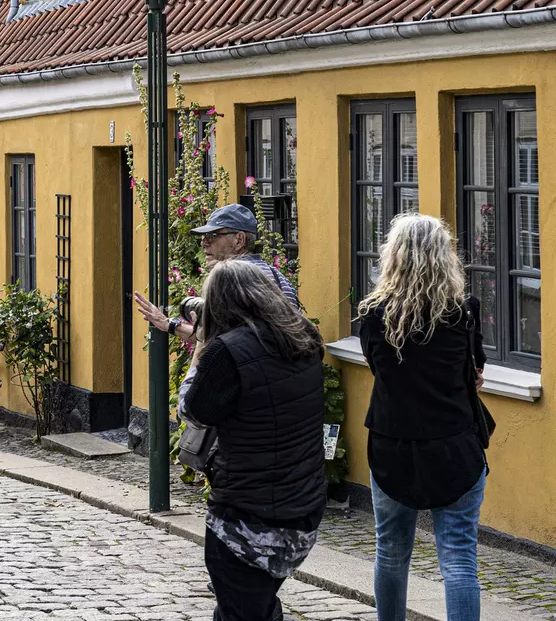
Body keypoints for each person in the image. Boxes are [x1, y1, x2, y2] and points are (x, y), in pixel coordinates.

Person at [178, 259, 327, 621]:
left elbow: (192, 410)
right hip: (302, 507)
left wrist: (200, 348)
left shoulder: (225, 351)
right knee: (256, 604)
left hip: (246, 516)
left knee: (241, 610)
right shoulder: (304, 338)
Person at [357, 214, 486, 621]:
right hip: (454, 444)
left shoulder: (373, 315)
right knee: (460, 558)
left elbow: (380, 370)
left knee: (391, 552)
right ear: (444, 256)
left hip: (393, 444)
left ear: (392, 257)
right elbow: (476, 373)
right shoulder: (464, 312)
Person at [134, 203, 299, 341]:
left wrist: (168, 323)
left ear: (239, 240)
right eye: (203, 237)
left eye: (213, 235)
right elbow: (221, 336)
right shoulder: (279, 278)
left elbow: (215, 341)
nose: (204, 243)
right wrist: (167, 324)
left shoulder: (229, 279)